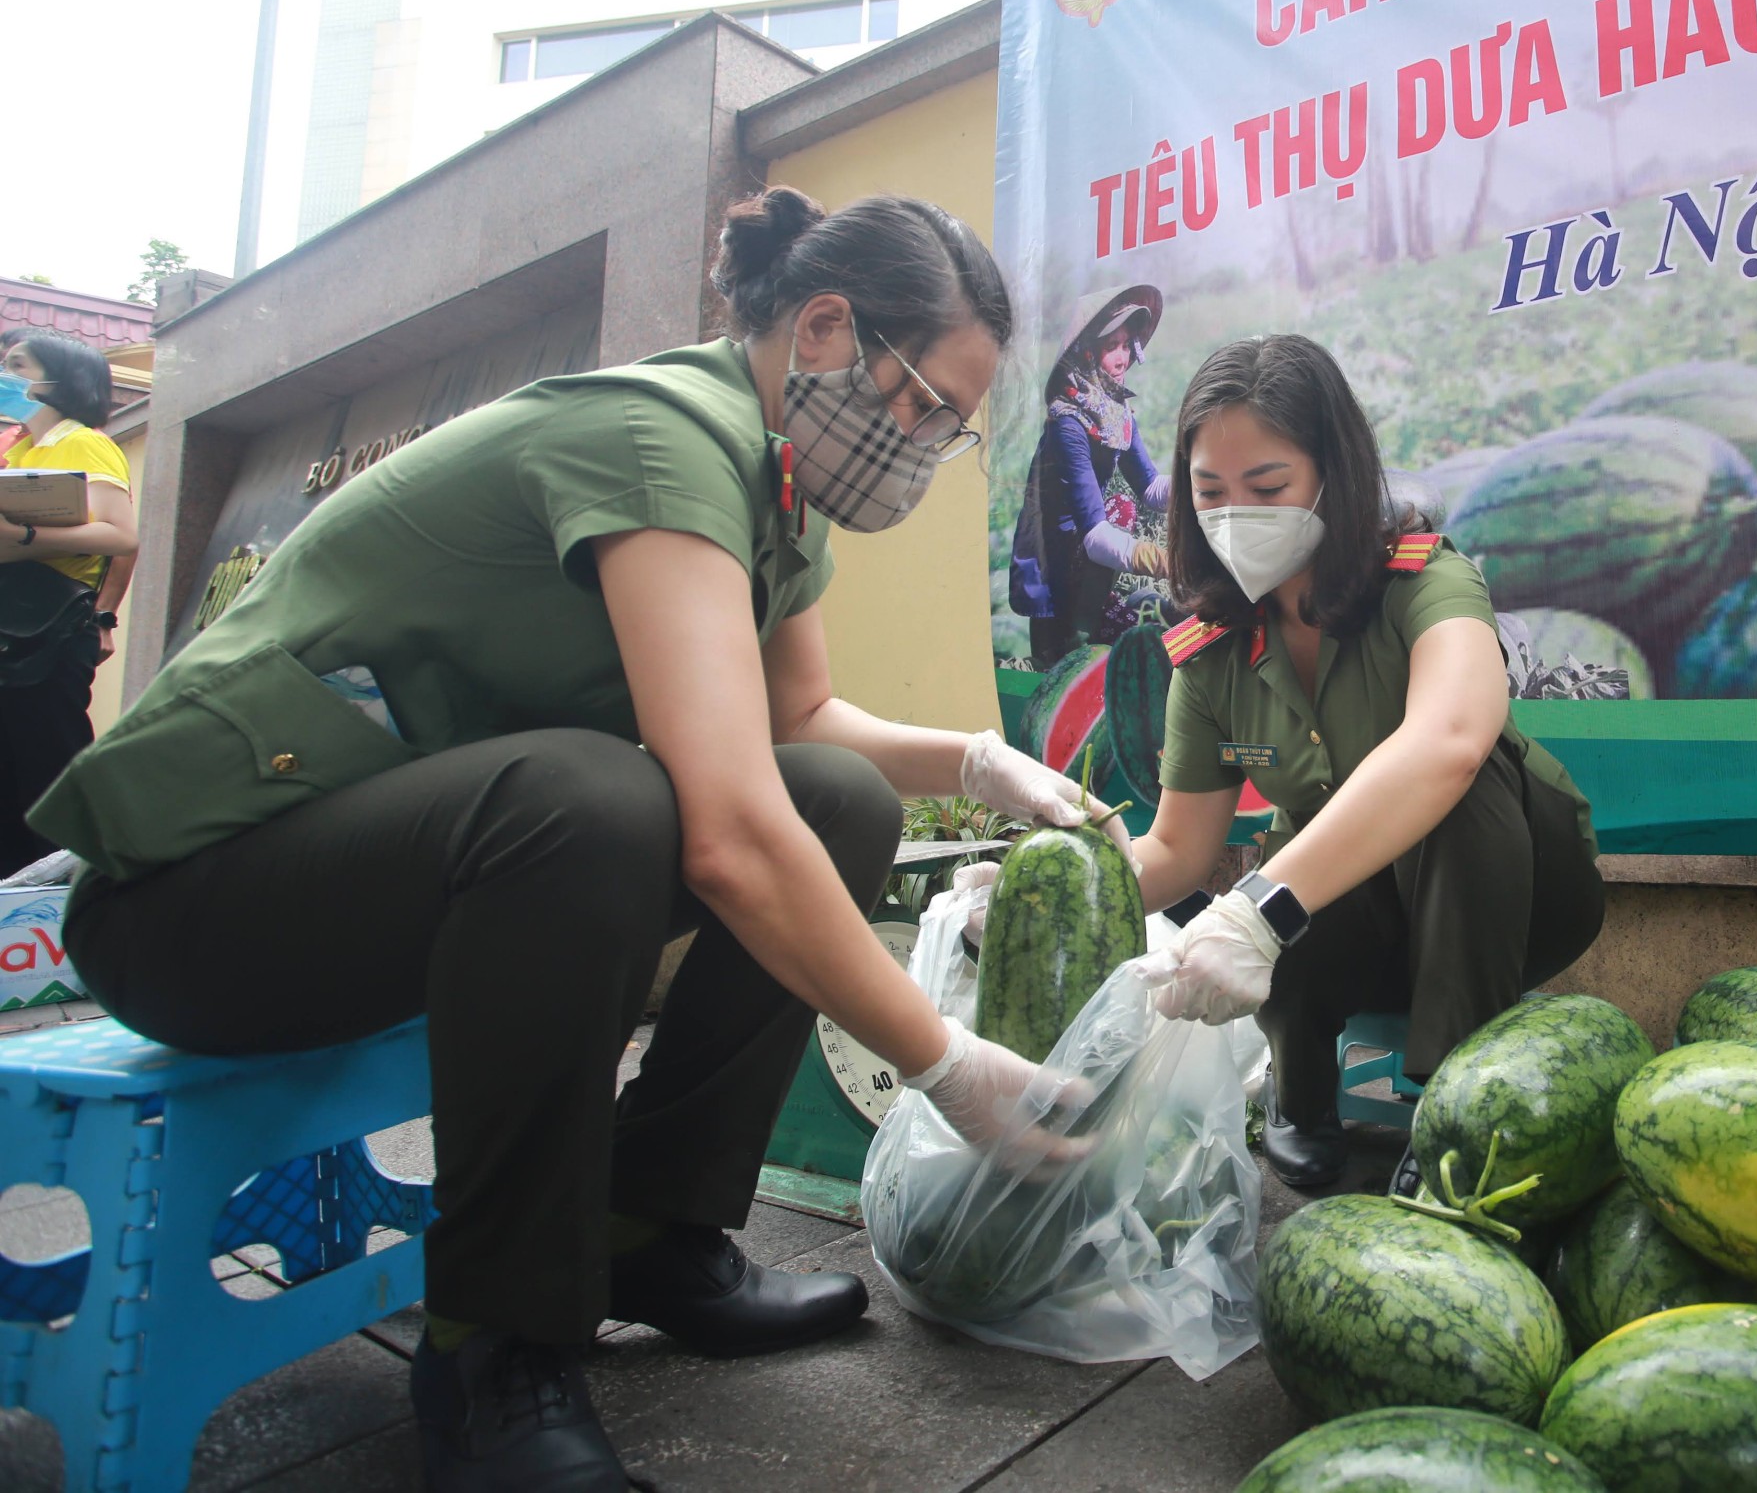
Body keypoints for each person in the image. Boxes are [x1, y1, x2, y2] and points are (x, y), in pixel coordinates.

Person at [31, 191, 1128, 1492]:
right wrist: (944, 1058)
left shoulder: (777, 489)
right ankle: (494, 1345)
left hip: (380, 885)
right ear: (828, 328)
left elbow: (801, 719)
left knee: (838, 799)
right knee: (589, 801)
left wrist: (972, 760)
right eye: (926, 406)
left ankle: (652, 1230)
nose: (927, 444)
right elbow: (722, 829)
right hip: (190, 903)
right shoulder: (660, 438)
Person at [1126, 334, 1606, 1190]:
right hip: (1363, 924)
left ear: (1332, 476)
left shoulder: (1426, 582)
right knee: (1287, 867)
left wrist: (1257, 913)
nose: (1236, 512)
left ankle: (1457, 1105)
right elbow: (1176, 852)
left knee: (1450, 789)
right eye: (1210, 491)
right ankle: (1299, 1093)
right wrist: (1047, 886)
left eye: (1267, 486)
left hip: (1519, 895)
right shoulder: (1209, 653)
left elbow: (1451, 741)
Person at [0, 333, 137, 875]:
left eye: (17, 365)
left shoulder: (84, 443)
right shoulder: (22, 448)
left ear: (60, 379)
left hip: (50, 631)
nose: (5, 375)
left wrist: (26, 540)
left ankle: (70, 893)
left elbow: (121, 536)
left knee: (46, 771)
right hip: (17, 628)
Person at [1007, 286, 1173, 667]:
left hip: (1090, 549)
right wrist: (1168, 563)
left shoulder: (1116, 412)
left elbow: (1149, 488)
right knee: (1060, 667)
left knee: (1101, 656)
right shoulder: (1069, 422)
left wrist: (1204, 486)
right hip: (1057, 556)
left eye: (1126, 345)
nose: (1122, 357)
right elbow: (1096, 533)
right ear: (1087, 352)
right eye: (1110, 346)